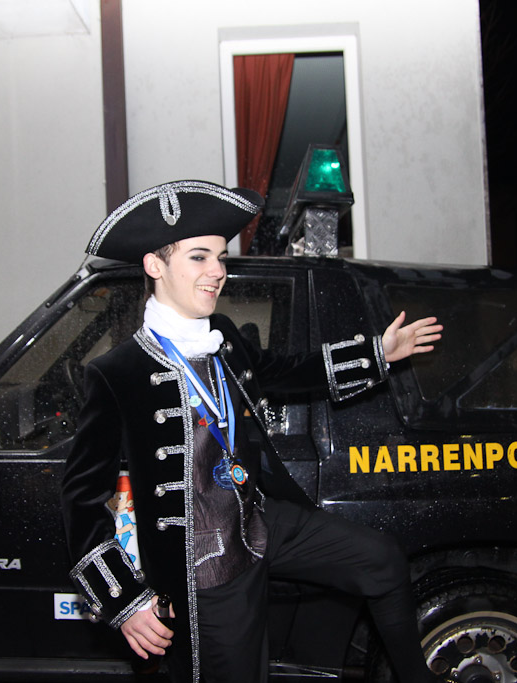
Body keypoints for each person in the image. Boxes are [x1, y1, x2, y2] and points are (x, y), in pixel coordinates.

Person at [61, 180, 442, 683]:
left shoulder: (222, 337)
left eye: (220, 258)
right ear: (155, 265)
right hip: (206, 565)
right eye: (199, 258)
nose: (217, 271)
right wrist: (123, 600)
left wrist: (378, 354)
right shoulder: (118, 372)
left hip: (258, 520)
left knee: (382, 559)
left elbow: (287, 371)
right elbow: (81, 497)